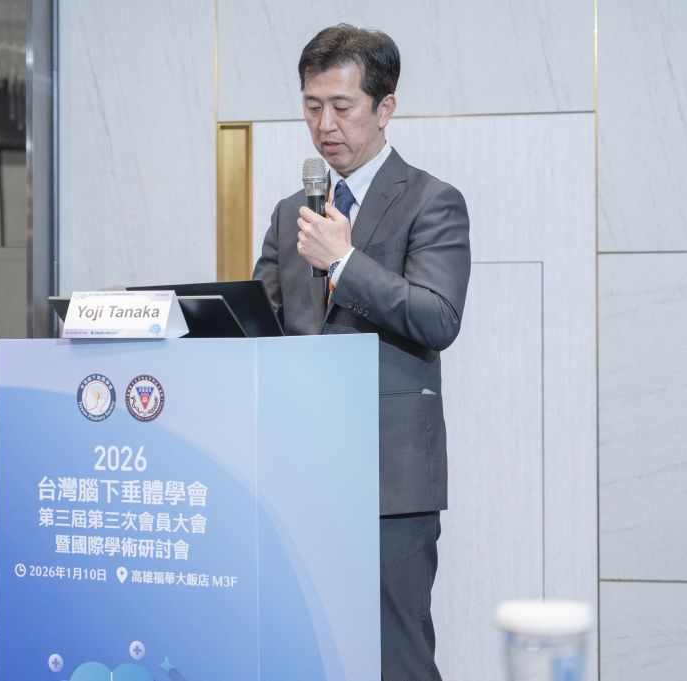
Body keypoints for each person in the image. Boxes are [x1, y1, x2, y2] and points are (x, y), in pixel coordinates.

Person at [253, 24, 471, 681]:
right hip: (299, 472)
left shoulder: (432, 201)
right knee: (307, 653)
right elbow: (260, 326)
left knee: (395, 658)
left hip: (388, 478)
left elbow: (438, 316)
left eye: (342, 106)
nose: (324, 125)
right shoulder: (292, 211)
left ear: (385, 107)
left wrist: (344, 262)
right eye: (312, 105)